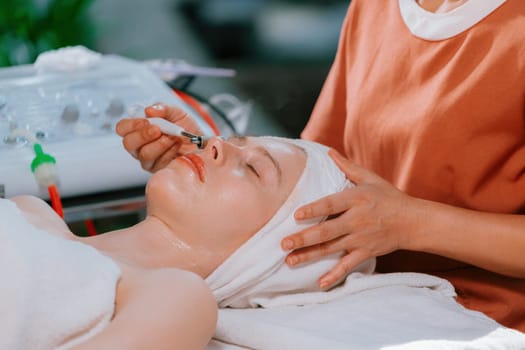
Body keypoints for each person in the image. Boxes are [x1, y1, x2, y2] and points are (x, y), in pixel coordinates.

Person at [116, 0, 525, 332]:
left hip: (479, 319)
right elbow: (314, 171)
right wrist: (206, 157)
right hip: (356, 291)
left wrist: (412, 223)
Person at [2, 132, 372, 349]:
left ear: (268, 255)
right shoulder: (30, 210)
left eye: (255, 168)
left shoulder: (179, 300)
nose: (215, 144)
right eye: (232, 141)